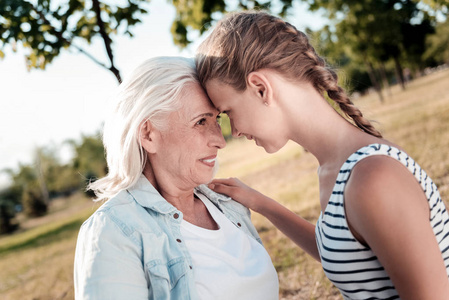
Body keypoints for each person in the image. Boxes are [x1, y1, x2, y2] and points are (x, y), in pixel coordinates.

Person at [195, 11, 449, 300]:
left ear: (260, 88)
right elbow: (343, 249)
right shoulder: (337, 169)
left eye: (228, 112)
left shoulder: (373, 178)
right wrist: (259, 202)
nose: (234, 131)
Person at [73, 56, 279, 300]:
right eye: (201, 121)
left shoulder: (229, 206)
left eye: (217, 119)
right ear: (148, 134)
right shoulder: (113, 232)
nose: (220, 140)